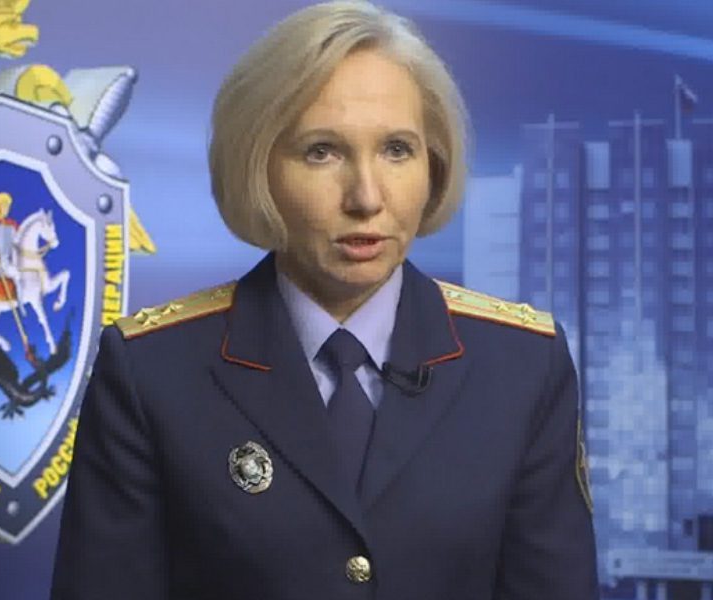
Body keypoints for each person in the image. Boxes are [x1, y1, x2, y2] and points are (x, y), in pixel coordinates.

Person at [50, 2, 599, 599]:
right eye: (322, 151)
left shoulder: (523, 367)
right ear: (257, 166)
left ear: (434, 167)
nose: (366, 197)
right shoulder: (151, 373)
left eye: (396, 150)